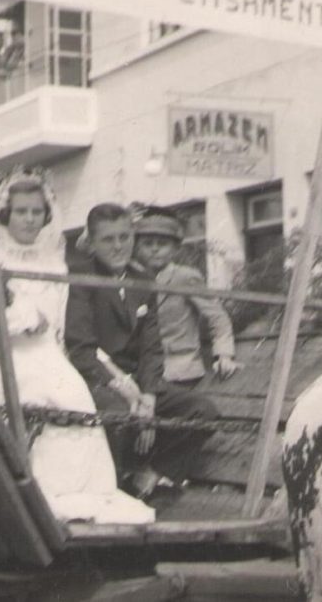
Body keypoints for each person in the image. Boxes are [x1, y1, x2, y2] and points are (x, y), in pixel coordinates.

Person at [0, 170, 153, 524]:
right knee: (38, 403)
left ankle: (80, 492)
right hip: (1, 356)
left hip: (50, 355)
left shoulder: (56, 262)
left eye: (36, 212)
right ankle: (29, 493)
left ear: (46, 216)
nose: (29, 219)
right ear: (6, 214)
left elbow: (64, 330)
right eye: (22, 211)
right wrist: (19, 322)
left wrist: (116, 375)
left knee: (76, 400)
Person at [65, 203, 218, 499]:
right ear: (93, 244)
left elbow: (151, 347)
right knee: (119, 414)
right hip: (98, 379)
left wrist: (147, 397)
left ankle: (151, 472)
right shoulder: (81, 278)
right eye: (108, 240)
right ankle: (113, 490)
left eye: (124, 237)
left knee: (203, 411)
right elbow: (82, 349)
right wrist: (129, 393)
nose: (118, 246)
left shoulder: (143, 279)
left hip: (139, 380)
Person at [133, 206, 239, 386]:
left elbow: (217, 317)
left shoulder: (186, 277)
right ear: (137, 248)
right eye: (148, 243)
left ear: (175, 249)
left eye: (162, 244)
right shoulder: (133, 280)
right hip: (143, 370)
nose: (155, 249)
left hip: (181, 370)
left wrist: (224, 355)